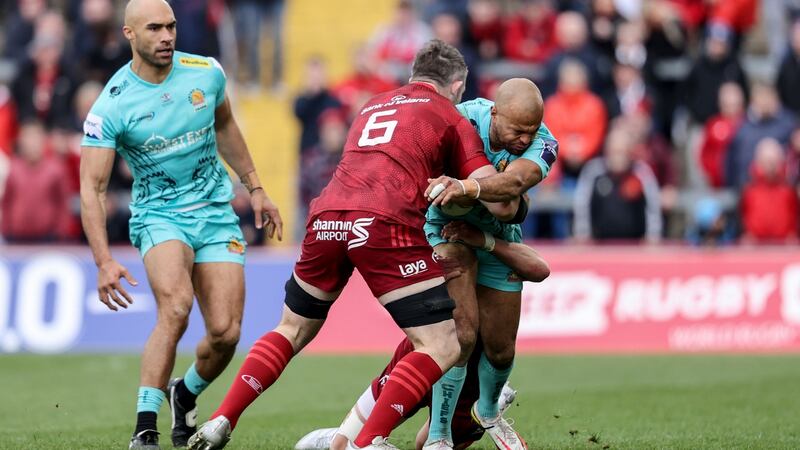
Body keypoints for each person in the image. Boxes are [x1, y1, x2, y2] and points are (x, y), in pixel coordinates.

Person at [189, 39, 528, 450]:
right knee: (442, 343)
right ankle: (368, 441)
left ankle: (222, 418)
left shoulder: (371, 105)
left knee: (291, 328)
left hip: (326, 218)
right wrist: (509, 193)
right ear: (457, 85)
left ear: (412, 75)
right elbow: (498, 198)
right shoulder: (450, 116)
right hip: (384, 223)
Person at [79, 1, 283, 448]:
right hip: (159, 215)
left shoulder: (206, 72)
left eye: (171, 26)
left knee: (227, 333)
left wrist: (256, 188)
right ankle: (145, 428)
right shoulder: (111, 105)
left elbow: (226, 125)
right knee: (175, 307)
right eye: (154, 28)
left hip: (214, 212)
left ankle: (184, 390)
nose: (167, 35)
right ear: (130, 34)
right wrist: (103, 261)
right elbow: (92, 190)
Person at [294, 221, 551, 450]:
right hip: (426, 349)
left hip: (469, 375)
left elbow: (539, 269)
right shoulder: (437, 226)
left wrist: (486, 241)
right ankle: (334, 438)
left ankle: (488, 403)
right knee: (343, 445)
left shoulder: (499, 234)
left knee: (421, 443)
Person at [421, 79, 556, 450]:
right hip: (445, 230)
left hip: (496, 236)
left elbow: (513, 186)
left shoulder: (547, 144)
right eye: (517, 130)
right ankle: (438, 436)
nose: (525, 140)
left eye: (531, 131)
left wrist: (467, 188)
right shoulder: (459, 119)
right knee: (461, 337)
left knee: (501, 350)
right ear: (494, 114)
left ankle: (488, 410)